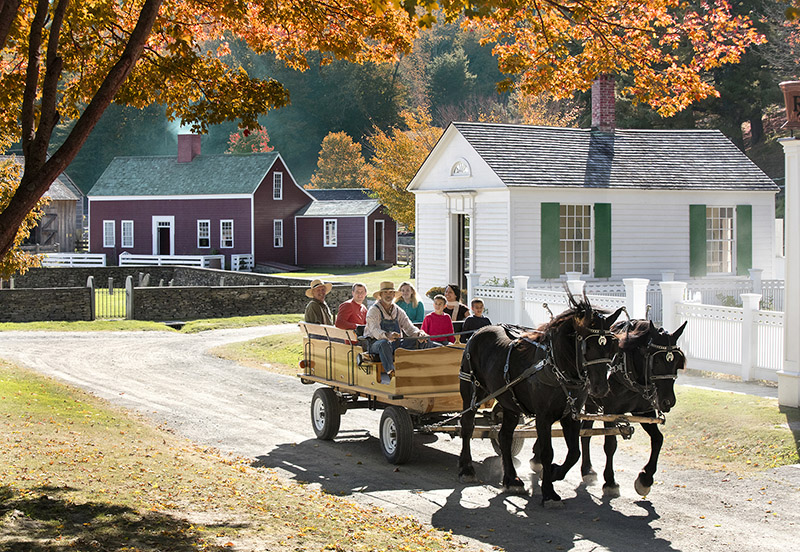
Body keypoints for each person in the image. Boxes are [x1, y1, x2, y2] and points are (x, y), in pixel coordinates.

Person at [364, 281, 437, 376]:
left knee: (421, 340)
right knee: (384, 344)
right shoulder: (374, 310)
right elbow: (374, 330)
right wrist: (387, 335)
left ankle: (429, 369)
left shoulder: (398, 310)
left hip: (395, 344)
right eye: (385, 292)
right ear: (381, 295)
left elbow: (409, 327)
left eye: (391, 292)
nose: (388, 295)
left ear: (394, 295)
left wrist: (419, 334)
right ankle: (391, 373)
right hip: (375, 344)